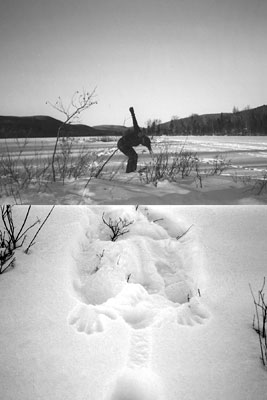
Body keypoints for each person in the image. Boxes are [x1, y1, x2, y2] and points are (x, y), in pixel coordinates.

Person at [117, 107, 152, 173]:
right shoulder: (137, 131)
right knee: (132, 156)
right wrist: (132, 113)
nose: (142, 142)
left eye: (143, 142)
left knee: (134, 156)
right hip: (122, 143)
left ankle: (133, 170)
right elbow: (134, 121)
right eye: (142, 139)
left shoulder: (143, 141)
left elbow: (148, 144)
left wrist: (150, 149)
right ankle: (129, 171)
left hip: (127, 145)